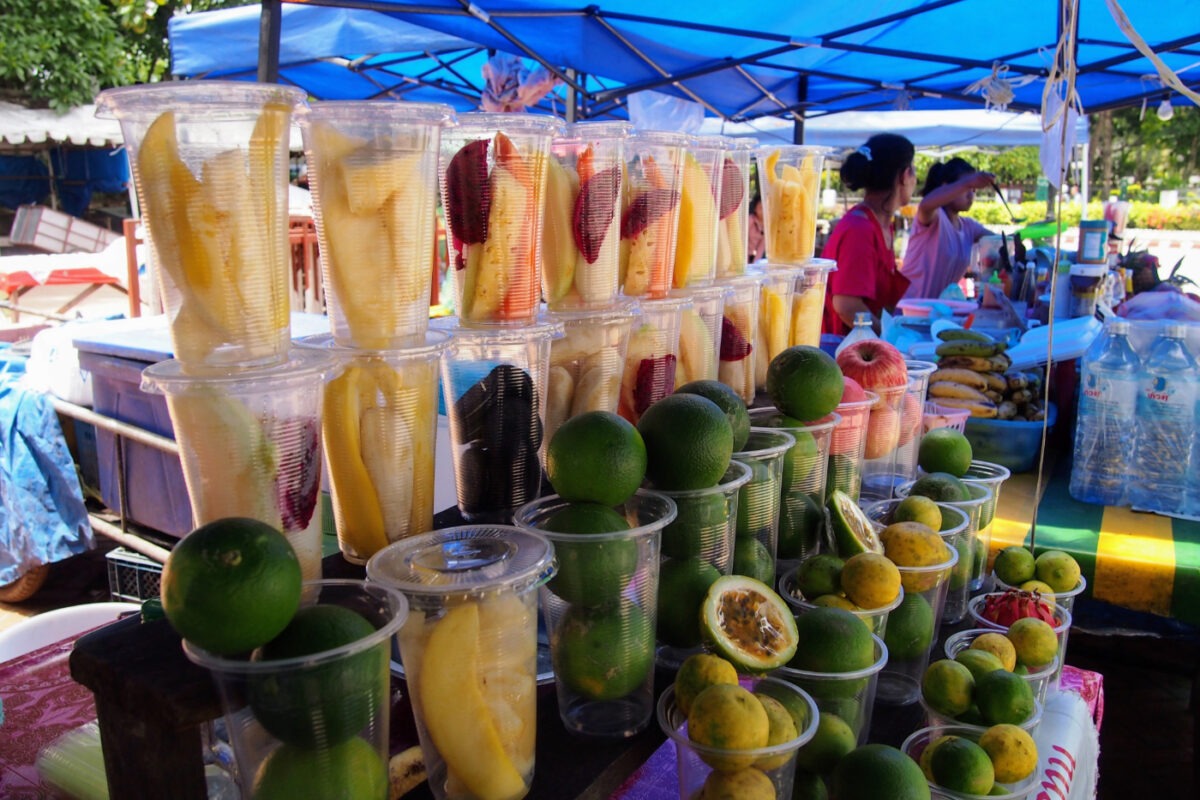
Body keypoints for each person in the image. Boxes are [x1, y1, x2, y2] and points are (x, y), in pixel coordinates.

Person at [821, 133, 916, 335]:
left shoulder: (882, 225)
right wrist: (891, 339)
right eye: (914, 171)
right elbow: (846, 305)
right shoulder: (859, 229)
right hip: (839, 352)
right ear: (904, 175)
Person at [901, 157, 995, 299]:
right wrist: (967, 182)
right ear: (947, 188)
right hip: (910, 312)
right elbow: (926, 205)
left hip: (939, 314)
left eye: (974, 190)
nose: (971, 195)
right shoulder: (933, 217)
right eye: (966, 189)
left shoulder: (969, 227)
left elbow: (999, 241)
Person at [746, 194, 765, 262]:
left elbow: (761, 247)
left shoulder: (767, 226)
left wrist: (755, 263)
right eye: (760, 207)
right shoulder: (750, 220)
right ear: (755, 208)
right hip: (743, 254)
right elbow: (742, 238)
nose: (763, 210)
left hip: (754, 257)